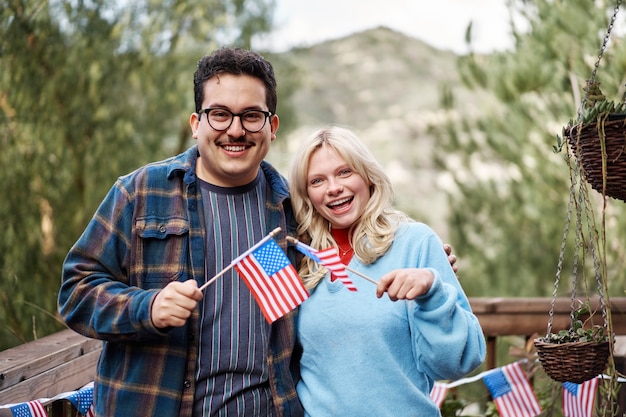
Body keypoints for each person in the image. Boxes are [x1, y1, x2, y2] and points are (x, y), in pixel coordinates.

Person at [58, 46, 303, 417]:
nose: (235, 129)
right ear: (195, 124)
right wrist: (148, 307)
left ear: (272, 127)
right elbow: (76, 292)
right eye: (219, 114)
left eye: (251, 116)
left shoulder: (293, 209)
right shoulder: (140, 191)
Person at [288, 126, 486, 416]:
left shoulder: (416, 242)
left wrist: (433, 293)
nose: (333, 188)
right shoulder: (301, 257)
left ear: (368, 176)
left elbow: (457, 363)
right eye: (317, 180)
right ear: (307, 194)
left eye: (345, 172)